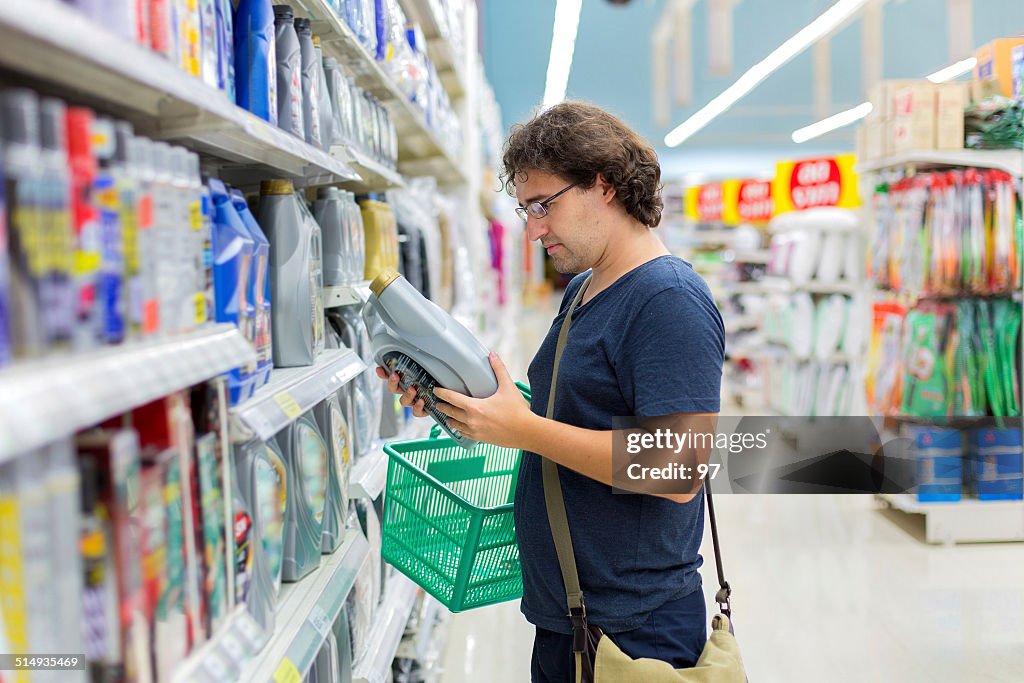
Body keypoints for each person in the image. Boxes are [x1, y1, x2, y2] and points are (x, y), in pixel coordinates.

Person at [376, 101, 725, 682]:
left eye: (544, 205)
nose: (532, 229)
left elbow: (678, 469)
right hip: (572, 616)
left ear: (604, 186)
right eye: (524, 208)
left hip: (635, 631)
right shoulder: (585, 287)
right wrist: (470, 403)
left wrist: (524, 429)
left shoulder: (667, 299)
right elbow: (575, 414)